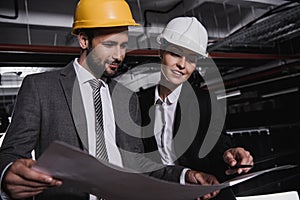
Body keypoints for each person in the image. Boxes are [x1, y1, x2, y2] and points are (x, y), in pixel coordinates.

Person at [0, 2, 234, 200]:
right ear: (84, 40)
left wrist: (186, 176)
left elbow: (141, 165)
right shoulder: (41, 88)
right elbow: (10, 153)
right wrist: (7, 175)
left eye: (124, 45)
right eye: (110, 44)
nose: (120, 55)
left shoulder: (126, 97)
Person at [138, 17, 254, 199]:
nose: (182, 65)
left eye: (191, 59)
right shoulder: (138, 104)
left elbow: (218, 146)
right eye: (175, 54)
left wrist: (229, 155)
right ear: (161, 52)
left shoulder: (206, 102)